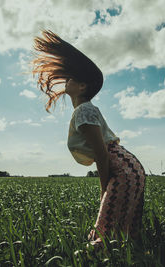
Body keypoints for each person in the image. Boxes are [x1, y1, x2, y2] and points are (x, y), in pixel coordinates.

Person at [31, 30, 146, 247]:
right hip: (129, 168)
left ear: (82, 87)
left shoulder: (84, 111)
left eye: (72, 78)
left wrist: (103, 189)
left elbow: (102, 153)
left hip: (123, 170)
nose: (68, 79)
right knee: (122, 232)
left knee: (105, 233)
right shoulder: (84, 110)